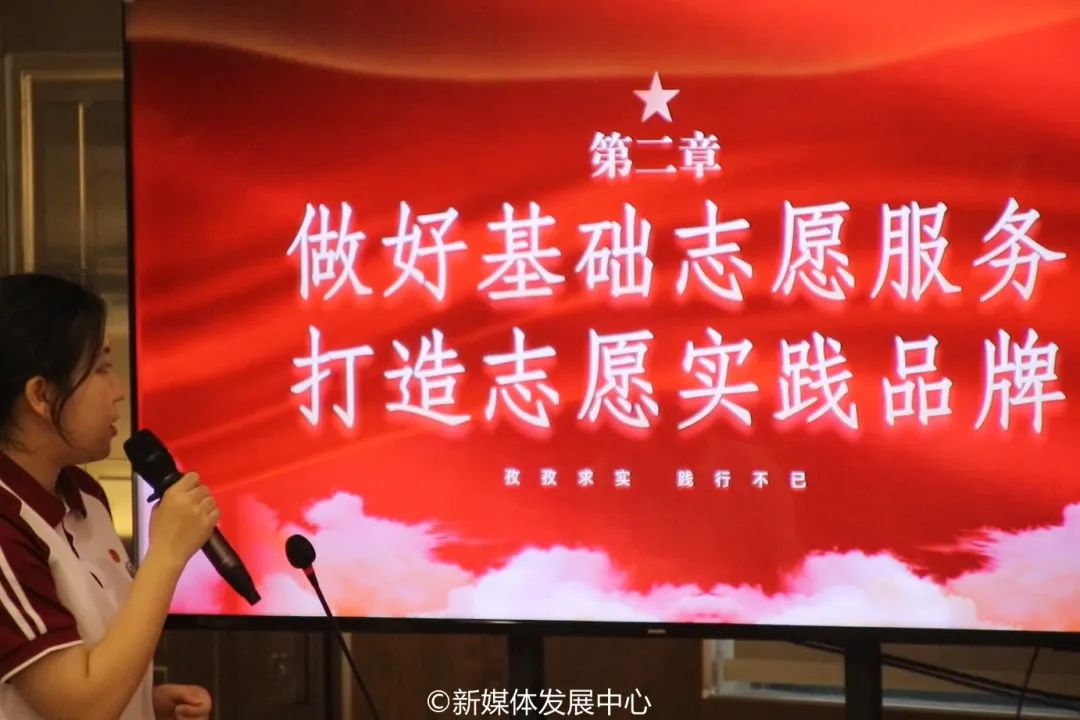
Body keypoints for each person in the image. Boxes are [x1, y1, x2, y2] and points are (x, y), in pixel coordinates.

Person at [0, 273, 217, 720]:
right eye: (100, 369)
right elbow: (83, 706)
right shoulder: (6, 526)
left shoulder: (86, 494)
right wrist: (167, 554)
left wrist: (143, 703)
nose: (117, 391)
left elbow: (93, 665)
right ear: (41, 395)